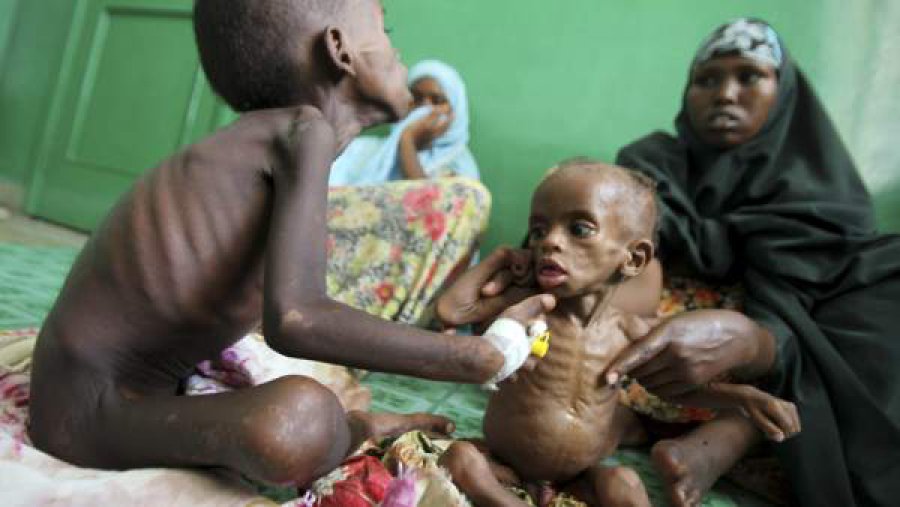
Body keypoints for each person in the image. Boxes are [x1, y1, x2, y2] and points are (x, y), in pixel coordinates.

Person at [26, 0, 553, 488]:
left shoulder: (280, 140)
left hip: (108, 400)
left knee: (296, 399)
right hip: (87, 415)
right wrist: (476, 357)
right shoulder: (305, 132)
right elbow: (297, 320)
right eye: (385, 30)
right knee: (297, 419)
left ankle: (348, 425)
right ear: (340, 49)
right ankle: (359, 428)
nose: (397, 51)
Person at [607, 18, 900, 507]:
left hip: (766, 347)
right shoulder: (652, 161)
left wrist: (762, 343)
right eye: (707, 79)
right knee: (592, 222)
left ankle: (730, 437)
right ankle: (722, 431)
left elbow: (829, 282)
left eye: (749, 76)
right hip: (663, 351)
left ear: (785, 93)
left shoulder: (823, 188)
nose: (725, 93)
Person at [436, 160, 798, 507]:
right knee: (462, 457)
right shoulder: (527, 309)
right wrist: (498, 257)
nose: (550, 241)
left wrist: (742, 398)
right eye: (539, 230)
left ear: (633, 259)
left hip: (577, 478)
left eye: (578, 229)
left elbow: (677, 389)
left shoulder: (627, 332)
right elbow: (451, 311)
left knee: (622, 482)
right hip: (503, 464)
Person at [329, 59, 480, 186]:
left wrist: (407, 141)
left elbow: (429, 210)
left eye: (438, 101)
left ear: (456, 111)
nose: (424, 108)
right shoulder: (360, 150)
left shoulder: (459, 165)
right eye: (416, 98)